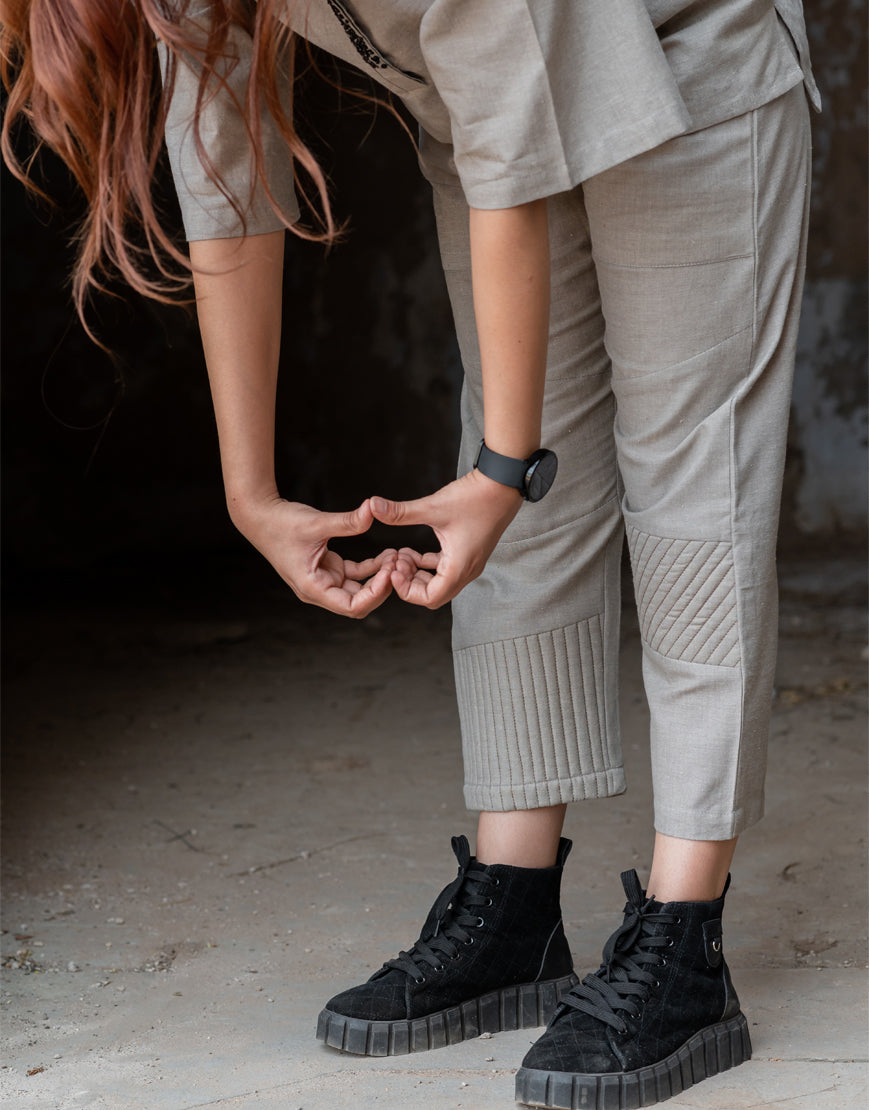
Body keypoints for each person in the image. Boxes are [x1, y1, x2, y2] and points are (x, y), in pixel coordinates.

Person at [2, 1, 820, 1106]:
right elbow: (225, 176)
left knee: (690, 492)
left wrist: (501, 473)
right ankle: (516, 902)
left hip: (690, 67)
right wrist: (252, 494)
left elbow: (510, 156)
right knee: (515, 478)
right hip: (497, 116)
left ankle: (686, 936)